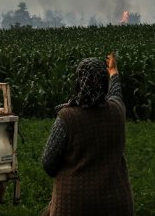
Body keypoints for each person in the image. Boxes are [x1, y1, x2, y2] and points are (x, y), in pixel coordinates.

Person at [40, 52, 134, 216]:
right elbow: (116, 92)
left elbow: (48, 164)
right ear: (103, 83)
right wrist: (113, 71)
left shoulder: (67, 117)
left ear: (78, 82)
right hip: (116, 204)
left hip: (74, 206)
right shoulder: (117, 111)